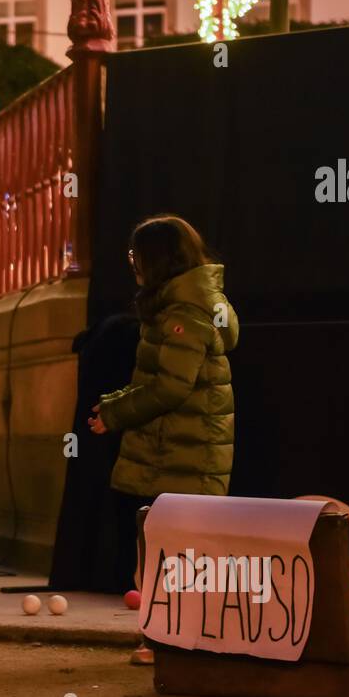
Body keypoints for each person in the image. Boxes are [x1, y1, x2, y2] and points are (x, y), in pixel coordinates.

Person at [87, 215, 239, 663]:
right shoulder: (193, 301)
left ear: (156, 260)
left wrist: (114, 413)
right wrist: (114, 404)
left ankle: (171, 643)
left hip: (180, 451)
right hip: (177, 449)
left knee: (173, 550)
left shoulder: (185, 311)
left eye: (136, 255)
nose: (131, 264)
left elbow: (173, 387)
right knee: (170, 547)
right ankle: (170, 639)